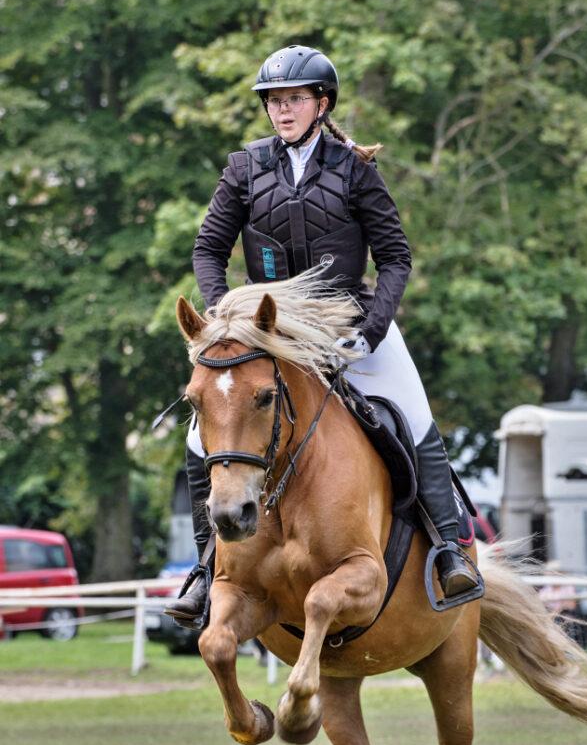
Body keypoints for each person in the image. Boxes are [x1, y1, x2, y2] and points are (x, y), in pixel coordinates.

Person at [168, 44, 477, 626]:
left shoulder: (355, 169)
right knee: (198, 438)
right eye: (274, 101)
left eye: (294, 100)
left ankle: (449, 550)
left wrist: (372, 331)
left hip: (347, 323)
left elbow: (396, 258)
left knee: (413, 414)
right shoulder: (245, 168)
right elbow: (208, 249)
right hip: (268, 332)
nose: (282, 110)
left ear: (321, 104)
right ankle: (206, 569)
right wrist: (224, 316)